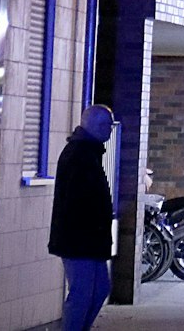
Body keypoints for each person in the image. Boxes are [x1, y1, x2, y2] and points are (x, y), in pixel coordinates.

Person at [50, 105, 118, 331]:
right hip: (80, 241)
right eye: (107, 125)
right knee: (84, 293)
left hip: (86, 240)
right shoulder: (80, 155)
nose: (110, 130)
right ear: (96, 126)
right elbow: (79, 201)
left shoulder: (85, 152)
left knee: (96, 290)